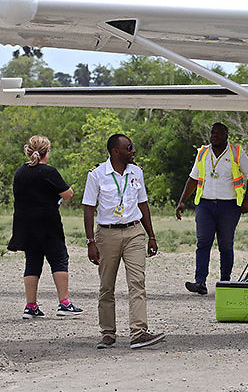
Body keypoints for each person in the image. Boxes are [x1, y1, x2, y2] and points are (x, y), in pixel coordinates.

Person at [82, 134, 165, 350]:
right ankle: (108, 333)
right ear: (115, 152)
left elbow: (143, 204)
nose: (133, 151)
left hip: (134, 232)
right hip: (107, 235)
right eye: (129, 148)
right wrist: (91, 241)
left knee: (137, 282)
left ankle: (138, 333)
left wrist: (151, 236)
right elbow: (88, 208)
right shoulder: (97, 174)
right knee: (106, 285)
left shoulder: (136, 172)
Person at [175, 122, 248, 294]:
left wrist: (247, 200)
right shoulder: (203, 152)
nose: (215, 136)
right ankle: (200, 282)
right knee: (203, 243)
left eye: (219, 133)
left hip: (229, 206)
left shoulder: (236, 152)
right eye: (213, 133)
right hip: (205, 205)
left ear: (226, 135)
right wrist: (182, 201)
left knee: (225, 245)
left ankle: (225, 281)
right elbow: (193, 179)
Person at [8, 135, 83, 319]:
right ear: (46, 152)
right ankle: (64, 303)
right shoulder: (48, 171)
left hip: (26, 225)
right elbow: (67, 194)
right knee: (59, 259)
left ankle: (31, 306)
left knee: (32, 263)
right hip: (48, 225)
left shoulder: (20, 172)